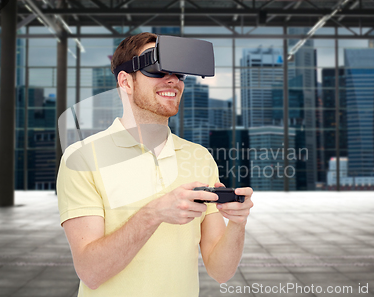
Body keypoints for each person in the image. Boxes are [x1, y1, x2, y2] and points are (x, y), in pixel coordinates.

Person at [57, 32, 254, 297]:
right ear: (125, 81)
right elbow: (91, 272)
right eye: (156, 69)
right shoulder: (81, 158)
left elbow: (220, 270)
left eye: (179, 73)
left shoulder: (199, 157)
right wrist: (154, 213)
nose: (172, 79)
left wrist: (238, 224)